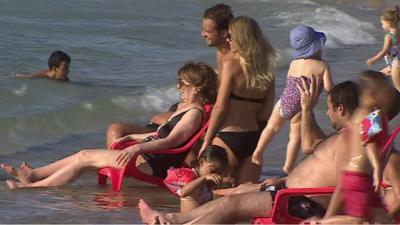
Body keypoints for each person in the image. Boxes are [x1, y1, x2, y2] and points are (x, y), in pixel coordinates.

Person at [137, 78, 363, 224]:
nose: (328, 114)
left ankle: (170, 221)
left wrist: (329, 219)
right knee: (241, 190)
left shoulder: (352, 140)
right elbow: (315, 147)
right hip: (292, 192)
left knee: (231, 205)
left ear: (341, 109)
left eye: (330, 109)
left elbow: (340, 179)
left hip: (303, 202)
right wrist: (306, 110)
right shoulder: (346, 137)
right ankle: (171, 219)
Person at [1, 62, 218, 189]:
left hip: (153, 165)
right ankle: (35, 175)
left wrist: (136, 148)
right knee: (83, 156)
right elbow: (160, 135)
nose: (178, 86)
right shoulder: (184, 107)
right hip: (147, 156)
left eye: (182, 83)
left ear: (197, 88)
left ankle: (31, 186)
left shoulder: (194, 113)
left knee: (84, 157)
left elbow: (172, 142)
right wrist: (132, 138)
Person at [106, 3, 235, 149]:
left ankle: (115, 166)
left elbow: (220, 105)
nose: (202, 34)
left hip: (173, 128)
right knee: (120, 129)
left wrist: (206, 137)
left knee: (116, 130)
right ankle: (115, 165)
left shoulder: (232, 61)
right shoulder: (222, 55)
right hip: (172, 122)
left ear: (224, 32)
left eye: (207, 31)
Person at [199, 16, 277, 184]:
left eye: (231, 36)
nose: (228, 39)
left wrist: (207, 140)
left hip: (229, 136)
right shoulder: (268, 70)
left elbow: (220, 107)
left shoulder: (231, 65)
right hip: (254, 139)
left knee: (211, 191)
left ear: (242, 38)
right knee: (242, 194)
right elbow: (265, 113)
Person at [252, 25, 334, 174]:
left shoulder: (293, 63)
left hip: (284, 101)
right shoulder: (322, 66)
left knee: (271, 127)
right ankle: (288, 166)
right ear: (315, 48)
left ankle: (258, 152)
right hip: (300, 107)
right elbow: (330, 89)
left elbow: (290, 83)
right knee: (294, 137)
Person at [316, 71, 393, 224]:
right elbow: (369, 140)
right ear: (373, 93)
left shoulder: (357, 115)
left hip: (354, 176)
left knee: (381, 218)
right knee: (359, 220)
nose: (389, 95)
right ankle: (316, 223)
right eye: (386, 91)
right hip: (360, 177)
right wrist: (377, 167)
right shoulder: (373, 114)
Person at [163, 145, 231, 212]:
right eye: (212, 171)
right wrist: (203, 178)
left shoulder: (207, 181)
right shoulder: (190, 176)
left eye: (219, 173)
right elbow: (182, 192)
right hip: (189, 221)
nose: (215, 175)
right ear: (201, 162)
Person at [366, 6, 399, 76]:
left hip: (395, 64)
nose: (382, 26)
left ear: (389, 24)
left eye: (383, 24)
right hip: (396, 62)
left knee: (397, 85)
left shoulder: (389, 36)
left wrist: (373, 60)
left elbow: (384, 51)